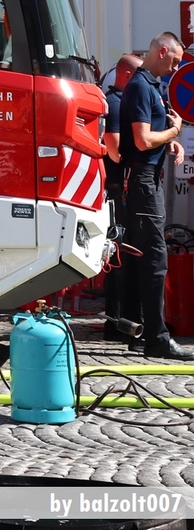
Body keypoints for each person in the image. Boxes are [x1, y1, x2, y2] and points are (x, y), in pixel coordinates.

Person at [119, 32, 192, 360]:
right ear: (162, 51)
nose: (175, 68)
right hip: (143, 183)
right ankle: (156, 338)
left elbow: (150, 138)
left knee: (138, 258)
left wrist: (169, 142)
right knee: (155, 260)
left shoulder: (148, 84)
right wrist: (173, 133)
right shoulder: (141, 86)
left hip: (142, 179)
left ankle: (136, 332)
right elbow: (142, 140)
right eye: (174, 61)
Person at [102, 53, 143, 343]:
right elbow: (113, 148)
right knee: (119, 261)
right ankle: (117, 325)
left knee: (120, 258)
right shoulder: (116, 104)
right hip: (118, 191)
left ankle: (117, 323)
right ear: (127, 75)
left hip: (119, 190)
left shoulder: (119, 102)